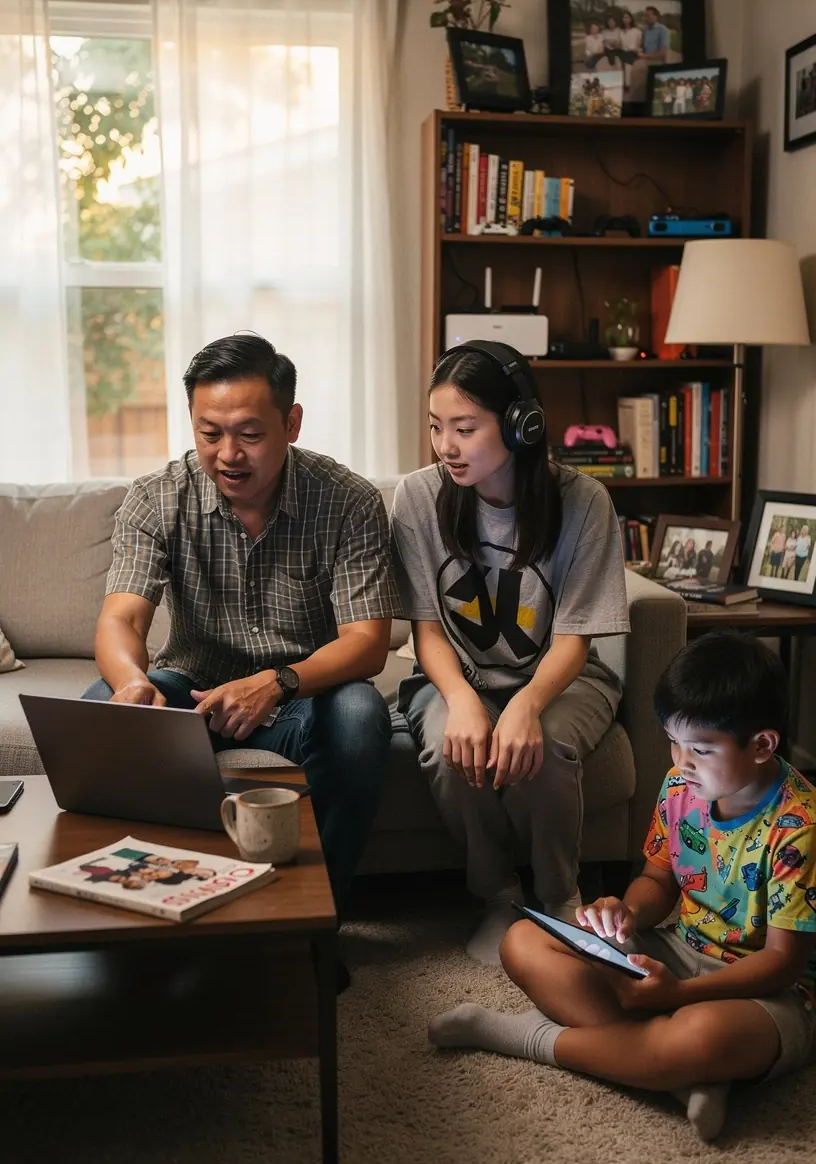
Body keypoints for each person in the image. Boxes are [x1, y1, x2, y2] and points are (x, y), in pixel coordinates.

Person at [83, 332, 401, 964]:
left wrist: (277, 681)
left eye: (250, 434)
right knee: (104, 708)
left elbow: (367, 646)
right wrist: (131, 682)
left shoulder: (348, 501)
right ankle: (136, 922)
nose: (228, 454)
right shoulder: (158, 497)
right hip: (193, 688)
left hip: (305, 696)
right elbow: (121, 619)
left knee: (364, 718)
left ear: (291, 423)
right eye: (209, 433)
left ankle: (314, 931)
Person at [428, 631, 816, 1143]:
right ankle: (675, 1072)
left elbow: (783, 963)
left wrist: (680, 995)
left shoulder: (800, 825)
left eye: (700, 748)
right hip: (683, 948)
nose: (680, 761)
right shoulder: (682, 788)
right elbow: (659, 879)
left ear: (763, 744)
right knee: (523, 942)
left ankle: (529, 1036)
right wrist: (626, 911)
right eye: (672, 741)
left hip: (772, 991)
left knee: (700, 1039)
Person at [390, 341, 629, 965]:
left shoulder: (584, 503)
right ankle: (496, 898)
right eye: (437, 427)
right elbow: (427, 627)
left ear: (522, 425)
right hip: (455, 675)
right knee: (453, 746)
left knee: (542, 746)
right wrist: (463, 698)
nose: (446, 446)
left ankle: (559, 902)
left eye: (465, 429)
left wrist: (527, 703)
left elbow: (576, 635)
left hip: (563, 678)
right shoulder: (417, 498)